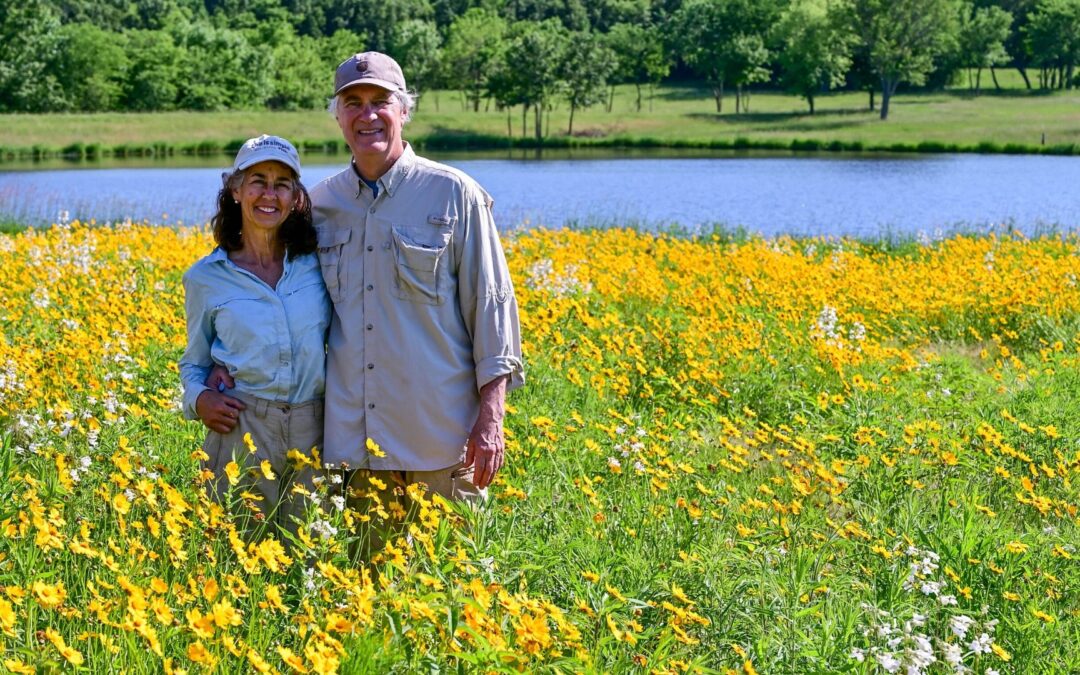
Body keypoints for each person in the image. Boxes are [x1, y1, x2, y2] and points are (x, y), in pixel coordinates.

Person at [180, 134, 330, 540]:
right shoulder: (206, 278)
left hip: (316, 429)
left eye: (282, 184)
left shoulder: (319, 264)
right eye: (258, 180)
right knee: (235, 554)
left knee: (310, 559)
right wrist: (199, 399)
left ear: (296, 196)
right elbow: (194, 362)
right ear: (235, 190)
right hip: (242, 429)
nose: (269, 194)